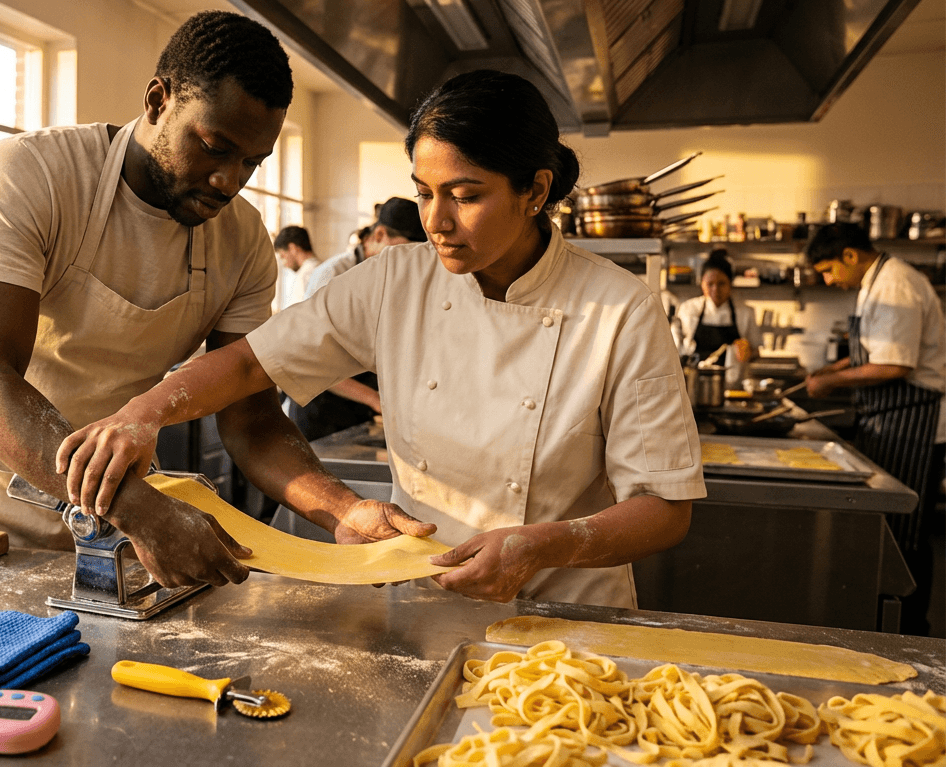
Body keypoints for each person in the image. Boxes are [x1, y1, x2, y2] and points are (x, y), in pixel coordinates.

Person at [57, 69, 704, 608]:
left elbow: (664, 508)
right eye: (424, 193)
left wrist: (544, 544)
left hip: (568, 615)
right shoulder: (396, 281)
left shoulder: (619, 307)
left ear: (535, 190)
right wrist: (144, 414)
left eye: (466, 195)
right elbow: (250, 365)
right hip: (424, 598)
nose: (438, 221)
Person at [0, 11, 426, 589]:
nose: (228, 180)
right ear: (158, 100)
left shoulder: (242, 242)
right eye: (214, 147)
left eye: (250, 163)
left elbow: (251, 417)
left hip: (119, 526)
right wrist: (137, 509)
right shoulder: (35, 174)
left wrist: (340, 508)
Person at [806, 222, 946, 636]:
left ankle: (909, 629)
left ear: (850, 255)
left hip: (913, 423)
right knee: (889, 528)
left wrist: (828, 383)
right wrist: (830, 369)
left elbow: (895, 365)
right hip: (891, 418)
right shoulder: (875, 282)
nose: (829, 280)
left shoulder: (896, 284)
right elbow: (871, 352)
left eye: (830, 270)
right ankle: (886, 618)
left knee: (908, 533)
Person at [290, 196, 428, 440]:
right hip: (322, 410)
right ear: (379, 235)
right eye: (405, 250)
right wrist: (377, 400)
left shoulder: (396, 279)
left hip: (360, 409)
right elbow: (312, 361)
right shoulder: (333, 275)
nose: (410, 261)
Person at [673, 250, 760, 384]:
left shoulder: (745, 312)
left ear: (730, 284)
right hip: (693, 384)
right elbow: (675, 349)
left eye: (721, 284)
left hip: (732, 385)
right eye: (710, 284)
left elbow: (756, 353)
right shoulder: (688, 309)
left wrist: (748, 351)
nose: (715, 290)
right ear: (702, 283)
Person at [272, 225, 318, 311]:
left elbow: (298, 317)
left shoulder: (306, 274)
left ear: (292, 248)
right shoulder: (321, 267)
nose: (284, 263)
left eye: (282, 256)